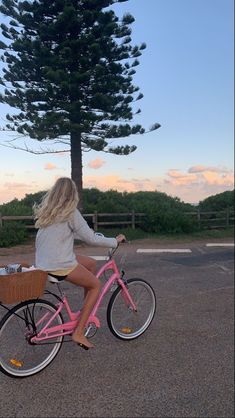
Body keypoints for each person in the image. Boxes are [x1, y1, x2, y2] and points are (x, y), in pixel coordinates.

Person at [34, 177, 125, 350]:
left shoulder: (50, 213)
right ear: (73, 194)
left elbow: (83, 234)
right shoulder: (70, 212)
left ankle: (85, 312)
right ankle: (79, 332)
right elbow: (90, 239)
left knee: (90, 264)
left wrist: (97, 236)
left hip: (44, 262)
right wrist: (115, 240)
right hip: (59, 263)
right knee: (96, 285)